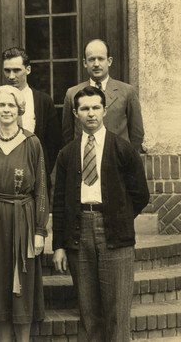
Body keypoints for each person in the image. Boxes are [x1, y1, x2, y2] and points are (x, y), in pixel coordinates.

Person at [52, 86, 149, 341]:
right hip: (78, 230)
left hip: (115, 233)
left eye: (96, 107)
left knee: (117, 312)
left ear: (105, 110)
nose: (91, 113)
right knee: (88, 312)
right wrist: (59, 245)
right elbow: (59, 202)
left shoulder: (122, 148)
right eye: (84, 108)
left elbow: (140, 194)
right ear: (75, 113)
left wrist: (120, 217)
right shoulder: (68, 153)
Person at [0, 85, 49, 342]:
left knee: (22, 287)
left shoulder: (32, 143)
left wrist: (39, 230)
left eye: (11, 105)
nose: (6, 110)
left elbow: (42, 190)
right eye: (1, 105)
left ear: (19, 109)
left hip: (23, 219)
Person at [0, 47, 62, 184]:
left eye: (16, 70)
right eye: (7, 70)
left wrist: (40, 168)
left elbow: (53, 142)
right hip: (3, 174)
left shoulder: (43, 101)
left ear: (28, 70)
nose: (11, 76)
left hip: (35, 172)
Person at [61, 39, 145, 152]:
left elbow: (137, 133)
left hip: (118, 160)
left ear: (109, 61)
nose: (96, 64)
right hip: (86, 160)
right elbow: (68, 134)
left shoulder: (127, 92)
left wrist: (126, 157)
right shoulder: (72, 94)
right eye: (91, 59)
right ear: (85, 63)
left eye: (101, 59)